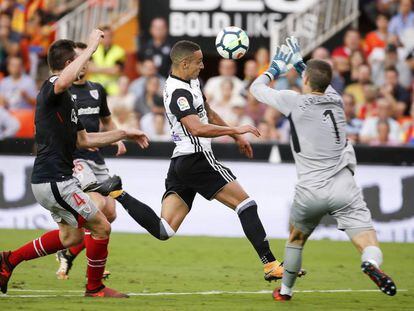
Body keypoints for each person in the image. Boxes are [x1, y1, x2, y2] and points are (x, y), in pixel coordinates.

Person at [107, 40, 305, 282]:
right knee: (245, 204)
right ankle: (270, 264)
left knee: (164, 229)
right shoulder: (177, 92)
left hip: (181, 162)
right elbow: (197, 127)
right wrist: (236, 127)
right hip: (197, 157)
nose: (202, 66)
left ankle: (118, 193)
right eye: (199, 61)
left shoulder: (190, 82)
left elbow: (208, 112)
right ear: (184, 63)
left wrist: (235, 136)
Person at [0, 30, 149, 298]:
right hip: (55, 180)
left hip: (54, 180)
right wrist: (92, 45)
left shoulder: (66, 100)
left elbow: (85, 139)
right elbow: (62, 79)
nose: (85, 63)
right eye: (79, 59)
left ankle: (8, 260)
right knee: (102, 225)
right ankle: (95, 288)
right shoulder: (51, 87)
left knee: (71, 238)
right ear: (69, 64)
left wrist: (123, 133)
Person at [250, 37, 396, 301]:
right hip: (344, 187)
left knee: (296, 238)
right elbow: (317, 78)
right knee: (368, 240)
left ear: (305, 81)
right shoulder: (337, 100)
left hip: (310, 190)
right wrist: (299, 62)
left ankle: (285, 291)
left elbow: (256, 88)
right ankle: (371, 264)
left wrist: (275, 67)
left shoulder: (293, 101)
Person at [54, 41, 127, 280]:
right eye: (79, 62)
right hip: (77, 159)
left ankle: (69, 252)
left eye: (86, 62)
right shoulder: (63, 92)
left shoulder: (98, 90)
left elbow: (106, 120)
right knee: (96, 208)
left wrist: (117, 139)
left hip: (97, 158)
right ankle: (95, 267)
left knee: (111, 214)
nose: (83, 67)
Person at [89, 26, 125, 96]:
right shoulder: (93, 49)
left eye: (109, 36)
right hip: (94, 86)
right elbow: (89, 68)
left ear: (112, 36)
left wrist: (97, 68)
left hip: (112, 88)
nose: (107, 38)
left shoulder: (119, 51)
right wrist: (108, 69)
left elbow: (115, 70)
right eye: (104, 36)